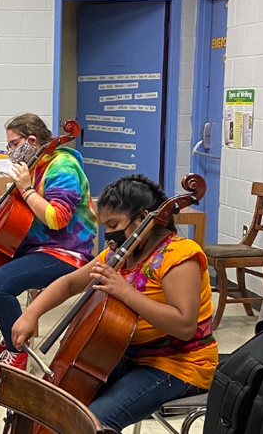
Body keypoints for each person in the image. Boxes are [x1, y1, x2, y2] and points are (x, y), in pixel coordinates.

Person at [12, 174, 219, 433]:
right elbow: (68, 284)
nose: (110, 235)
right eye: (105, 227)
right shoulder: (118, 255)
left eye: (114, 224)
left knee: (93, 422)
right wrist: (31, 313)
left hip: (178, 365)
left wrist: (125, 292)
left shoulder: (180, 255)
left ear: (143, 218)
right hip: (128, 355)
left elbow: (184, 324)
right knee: (55, 404)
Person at [0, 113, 97, 382]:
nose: (10, 152)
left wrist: (27, 189)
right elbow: (6, 204)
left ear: (31, 140)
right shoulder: (35, 163)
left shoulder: (62, 166)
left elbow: (56, 218)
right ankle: (11, 339)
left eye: (13, 144)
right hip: (38, 249)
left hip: (66, 253)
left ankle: (17, 355)